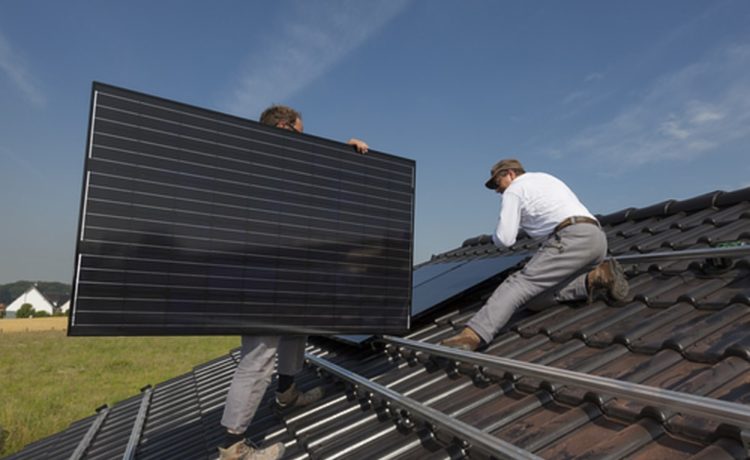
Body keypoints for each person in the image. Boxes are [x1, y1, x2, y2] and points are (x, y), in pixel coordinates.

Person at [219, 105, 368, 460]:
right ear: (285, 128)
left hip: (283, 270)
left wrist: (344, 154)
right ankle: (232, 448)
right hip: (261, 274)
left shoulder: (276, 167)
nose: (303, 141)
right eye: (300, 134)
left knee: (294, 328)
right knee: (258, 356)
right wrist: (340, 155)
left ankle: (287, 394)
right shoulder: (259, 165)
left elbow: (311, 181)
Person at [441, 158, 629, 352]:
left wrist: (494, 237)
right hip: (597, 240)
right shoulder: (546, 178)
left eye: (498, 184)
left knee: (518, 284)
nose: (498, 191)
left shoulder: (514, 190)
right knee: (534, 300)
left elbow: (506, 239)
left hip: (571, 238)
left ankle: (473, 335)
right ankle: (594, 277)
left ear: (511, 174)